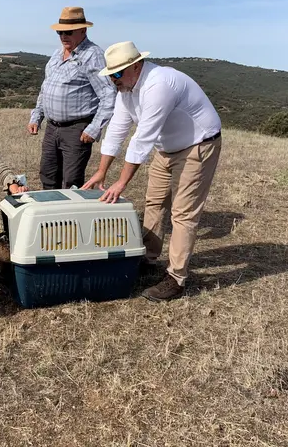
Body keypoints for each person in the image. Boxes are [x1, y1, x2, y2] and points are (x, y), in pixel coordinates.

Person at [82, 41, 222, 302]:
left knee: (183, 213)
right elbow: (117, 130)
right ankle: (147, 257)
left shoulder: (159, 84)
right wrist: (101, 172)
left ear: (136, 66)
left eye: (117, 74)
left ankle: (176, 278)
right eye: (110, 75)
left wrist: (121, 182)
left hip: (197, 145)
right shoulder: (126, 88)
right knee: (154, 202)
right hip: (166, 147)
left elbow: (142, 139)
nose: (113, 80)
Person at [28, 6, 116, 189]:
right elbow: (46, 87)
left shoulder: (93, 55)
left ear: (83, 30)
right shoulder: (56, 54)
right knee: (48, 175)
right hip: (52, 128)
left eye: (68, 32)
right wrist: (37, 115)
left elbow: (108, 94)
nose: (63, 36)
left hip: (77, 129)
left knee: (71, 182)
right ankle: (49, 215)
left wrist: (94, 128)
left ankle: (68, 216)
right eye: (60, 32)